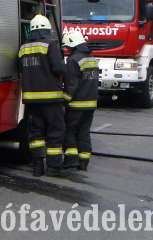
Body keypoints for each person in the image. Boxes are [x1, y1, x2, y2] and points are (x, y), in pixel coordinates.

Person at [18, 14, 66, 178]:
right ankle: (54, 168)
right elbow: (59, 69)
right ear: (47, 29)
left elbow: (20, 68)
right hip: (51, 98)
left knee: (36, 133)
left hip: (32, 100)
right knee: (55, 131)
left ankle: (37, 168)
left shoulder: (23, 47)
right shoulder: (50, 44)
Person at [61, 30, 99, 172]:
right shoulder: (92, 58)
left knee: (68, 130)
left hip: (76, 105)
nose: (67, 50)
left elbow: (71, 85)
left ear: (72, 45)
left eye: (68, 47)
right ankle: (83, 162)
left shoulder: (73, 60)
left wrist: (64, 102)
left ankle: (71, 159)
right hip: (90, 104)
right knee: (84, 132)